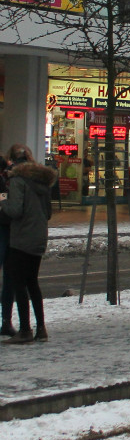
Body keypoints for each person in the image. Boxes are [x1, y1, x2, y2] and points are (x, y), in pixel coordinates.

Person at [0, 143, 55, 344]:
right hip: (38, 237)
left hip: (21, 237)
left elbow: (14, 210)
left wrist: (2, 199)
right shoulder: (42, 181)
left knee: (18, 282)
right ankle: (41, 328)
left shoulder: (17, 181)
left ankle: (24, 330)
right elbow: (48, 213)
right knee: (32, 282)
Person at [0, 150, 13, 337]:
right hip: (3, 232)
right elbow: (4, 206)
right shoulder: (2, 184)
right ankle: (6, 320)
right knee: (9, 279)